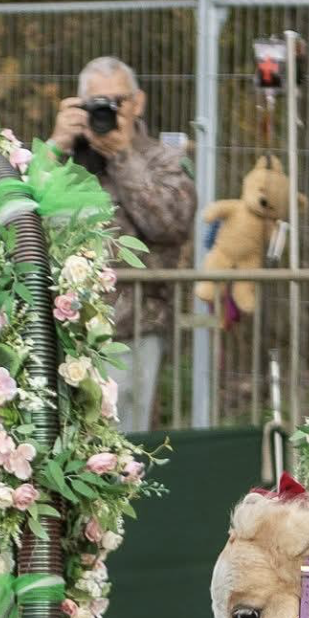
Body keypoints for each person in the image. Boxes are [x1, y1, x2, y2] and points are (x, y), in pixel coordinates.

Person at [48, 56, 196, 431]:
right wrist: (55, 146)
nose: (109, 111)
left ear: (138, 102)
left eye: (118, 101)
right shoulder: (64, 159)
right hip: (63, 328)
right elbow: (20, 206)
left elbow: (170, 224)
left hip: (133, 326)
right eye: (98, 102)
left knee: (126, 439)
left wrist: (122, 157)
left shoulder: (164, 158)